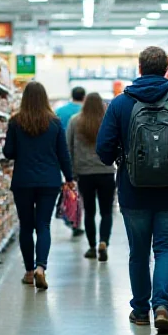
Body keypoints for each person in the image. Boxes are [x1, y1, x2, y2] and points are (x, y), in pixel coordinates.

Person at [96, 46, 168, 333]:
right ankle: (162, 306)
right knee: (165, 248)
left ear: (140, 68)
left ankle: (140, 310)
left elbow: (103, 152)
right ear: (167, 69)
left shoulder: (120, 105)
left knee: (138, 251)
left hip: (133, 191)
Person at [3, 81, 74, 290]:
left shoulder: (15, 122)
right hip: (49, 181)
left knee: (26, 226)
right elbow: (63, 154)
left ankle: (28, 271)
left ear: (24, 98)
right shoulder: (54, 122)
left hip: (23, 181)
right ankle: (41, 267)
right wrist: (69, 178)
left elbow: (8, 152)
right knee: (43, 225)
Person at [67, 93, 116, 262]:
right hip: (106, 172)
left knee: (89, 212)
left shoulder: (75, 121)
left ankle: (92, 246)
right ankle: (104, 242)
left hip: (84, 174)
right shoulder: (109, 121)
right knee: (106, 212)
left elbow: (69, 148)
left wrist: (71, 173)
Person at [56, 87, 87, 236]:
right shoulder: (86, 112)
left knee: (67, 188)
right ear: (84, 97)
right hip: (82, 156)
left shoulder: (60, 111)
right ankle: (75, 220)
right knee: (78, 191)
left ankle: (67, 212)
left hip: (62, 155)